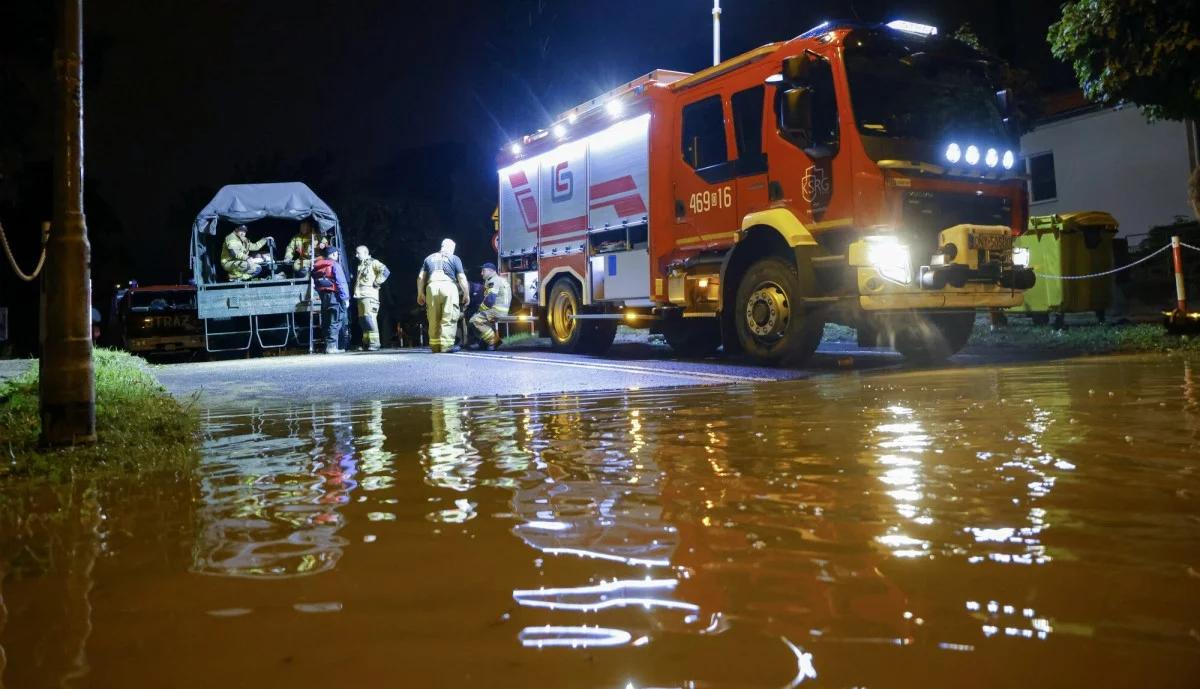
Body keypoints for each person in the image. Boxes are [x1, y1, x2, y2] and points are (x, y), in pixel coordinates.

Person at [416, 238, 469, 353]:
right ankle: (447, 346)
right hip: (448, 286)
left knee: (433, 318)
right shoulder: (454, 258)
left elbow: (421, 277)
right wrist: (466, 293)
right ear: (450, 248)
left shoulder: (429, 258)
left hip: (432, 287)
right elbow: (461, 277)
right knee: (449, 317)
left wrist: (420, 293)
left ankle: (435, 347)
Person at [312, 245, 350, 354]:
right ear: (333, 254)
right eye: (337, 254)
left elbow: (315, 281)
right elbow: (341, 282)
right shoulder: (335, 265)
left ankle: (327, 345)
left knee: (327, 320)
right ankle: (331, 347)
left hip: (324, 296)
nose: (337, 256)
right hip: (335, 296)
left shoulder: (318, 266)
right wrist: (345, 298)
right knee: (336, 320)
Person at [353, 245, 390, 351]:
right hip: (361, 296)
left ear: (365, 252)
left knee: (369, 319)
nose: (356, 255)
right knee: (363, 321)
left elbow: (385, 271)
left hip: (370, 296)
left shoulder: (373, 262)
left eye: (358, 253)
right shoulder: (361, 265)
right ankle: (367, 343)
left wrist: (377, 282)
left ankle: (375, 343)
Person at [469, 262, 512, 350]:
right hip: (502, 310)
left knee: (474, 320)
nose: (481, 273)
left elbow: (490, 300)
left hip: (497, 310)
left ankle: (494, 340)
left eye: (483, 271)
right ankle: (485, 341)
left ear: (490, 271)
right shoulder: (500, 279)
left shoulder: (493, 281)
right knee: (482, 320)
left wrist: (480, 310)